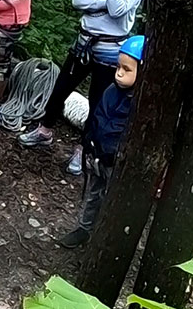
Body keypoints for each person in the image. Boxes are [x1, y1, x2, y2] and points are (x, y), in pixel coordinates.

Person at [18, 0, 150, 171]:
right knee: (60, 89)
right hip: (84, 43)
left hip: (110, 51)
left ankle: (83, 149)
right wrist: (103, 6)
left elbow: (120, 8)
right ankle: (44, 129)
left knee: (98, 101)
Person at [58, 35, 146, 248]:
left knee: (113, 200)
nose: (119, 72)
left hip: (117, 162)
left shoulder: (142, 104)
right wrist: (89, 143)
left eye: (127, 69)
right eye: (119, 66)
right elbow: (98, 117)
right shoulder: (111, 91)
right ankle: (85, 229)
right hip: (98, 155)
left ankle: (107, 240)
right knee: (94, 194)